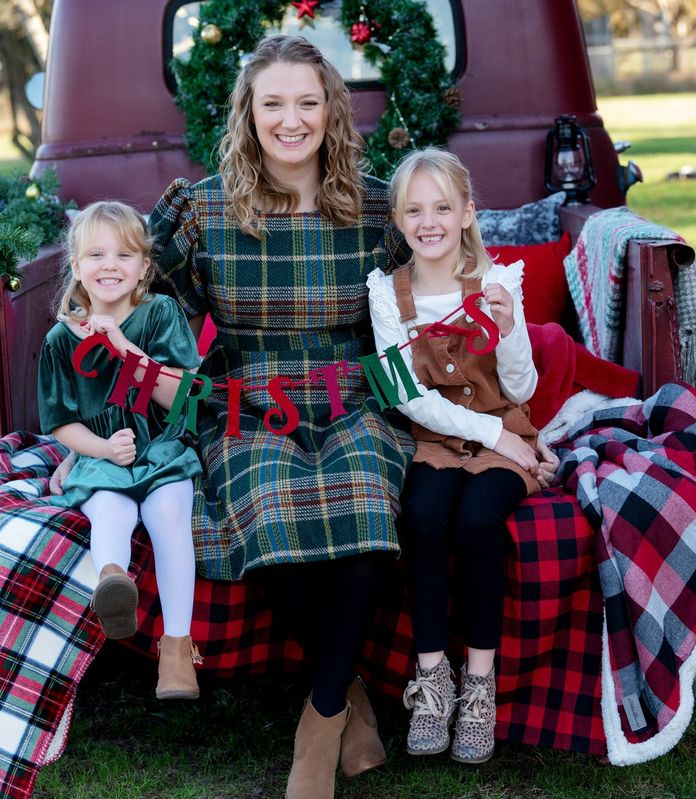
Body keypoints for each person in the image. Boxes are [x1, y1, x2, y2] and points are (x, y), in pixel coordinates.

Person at [146, 35, 410, 799]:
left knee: (366, 509)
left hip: (356, 386)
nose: (291, 120)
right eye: (273, 104)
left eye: (307, 101)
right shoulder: (201, 209)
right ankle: (349, 697)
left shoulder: (375, 202)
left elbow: (422, 304)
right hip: (246, 395)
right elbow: (135, 287)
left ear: (331, 108)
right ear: (247, 112)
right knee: (267, 509)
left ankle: (318, 725)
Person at [366, 148, 559, 764]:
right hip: (435, 437)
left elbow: (522, 389)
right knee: (421, 519)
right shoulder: (386, 295)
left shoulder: (499, 284)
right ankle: (432, 680)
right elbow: (407, 397)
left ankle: (479, 682)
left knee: (478, 523)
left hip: (504, 431)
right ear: (398, 221)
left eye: (443, 208)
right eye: (415, 210)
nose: (429, 222)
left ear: (468, 214)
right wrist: (493, 435)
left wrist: (508, 334)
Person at [37, 200, 205, 700]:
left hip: (162, 447)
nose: (110, 265)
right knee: (108, 508)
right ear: (77, 266)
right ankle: (112, 581)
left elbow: (182, 403)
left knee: (169, 512)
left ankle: (176, 651)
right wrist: (101, 450)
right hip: (101, 452)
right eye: (96, 255)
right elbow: (61, 423)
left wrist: (126, 351)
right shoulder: (60, 340)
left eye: (124, 255)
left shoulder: (159, 315)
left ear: (143, 269)